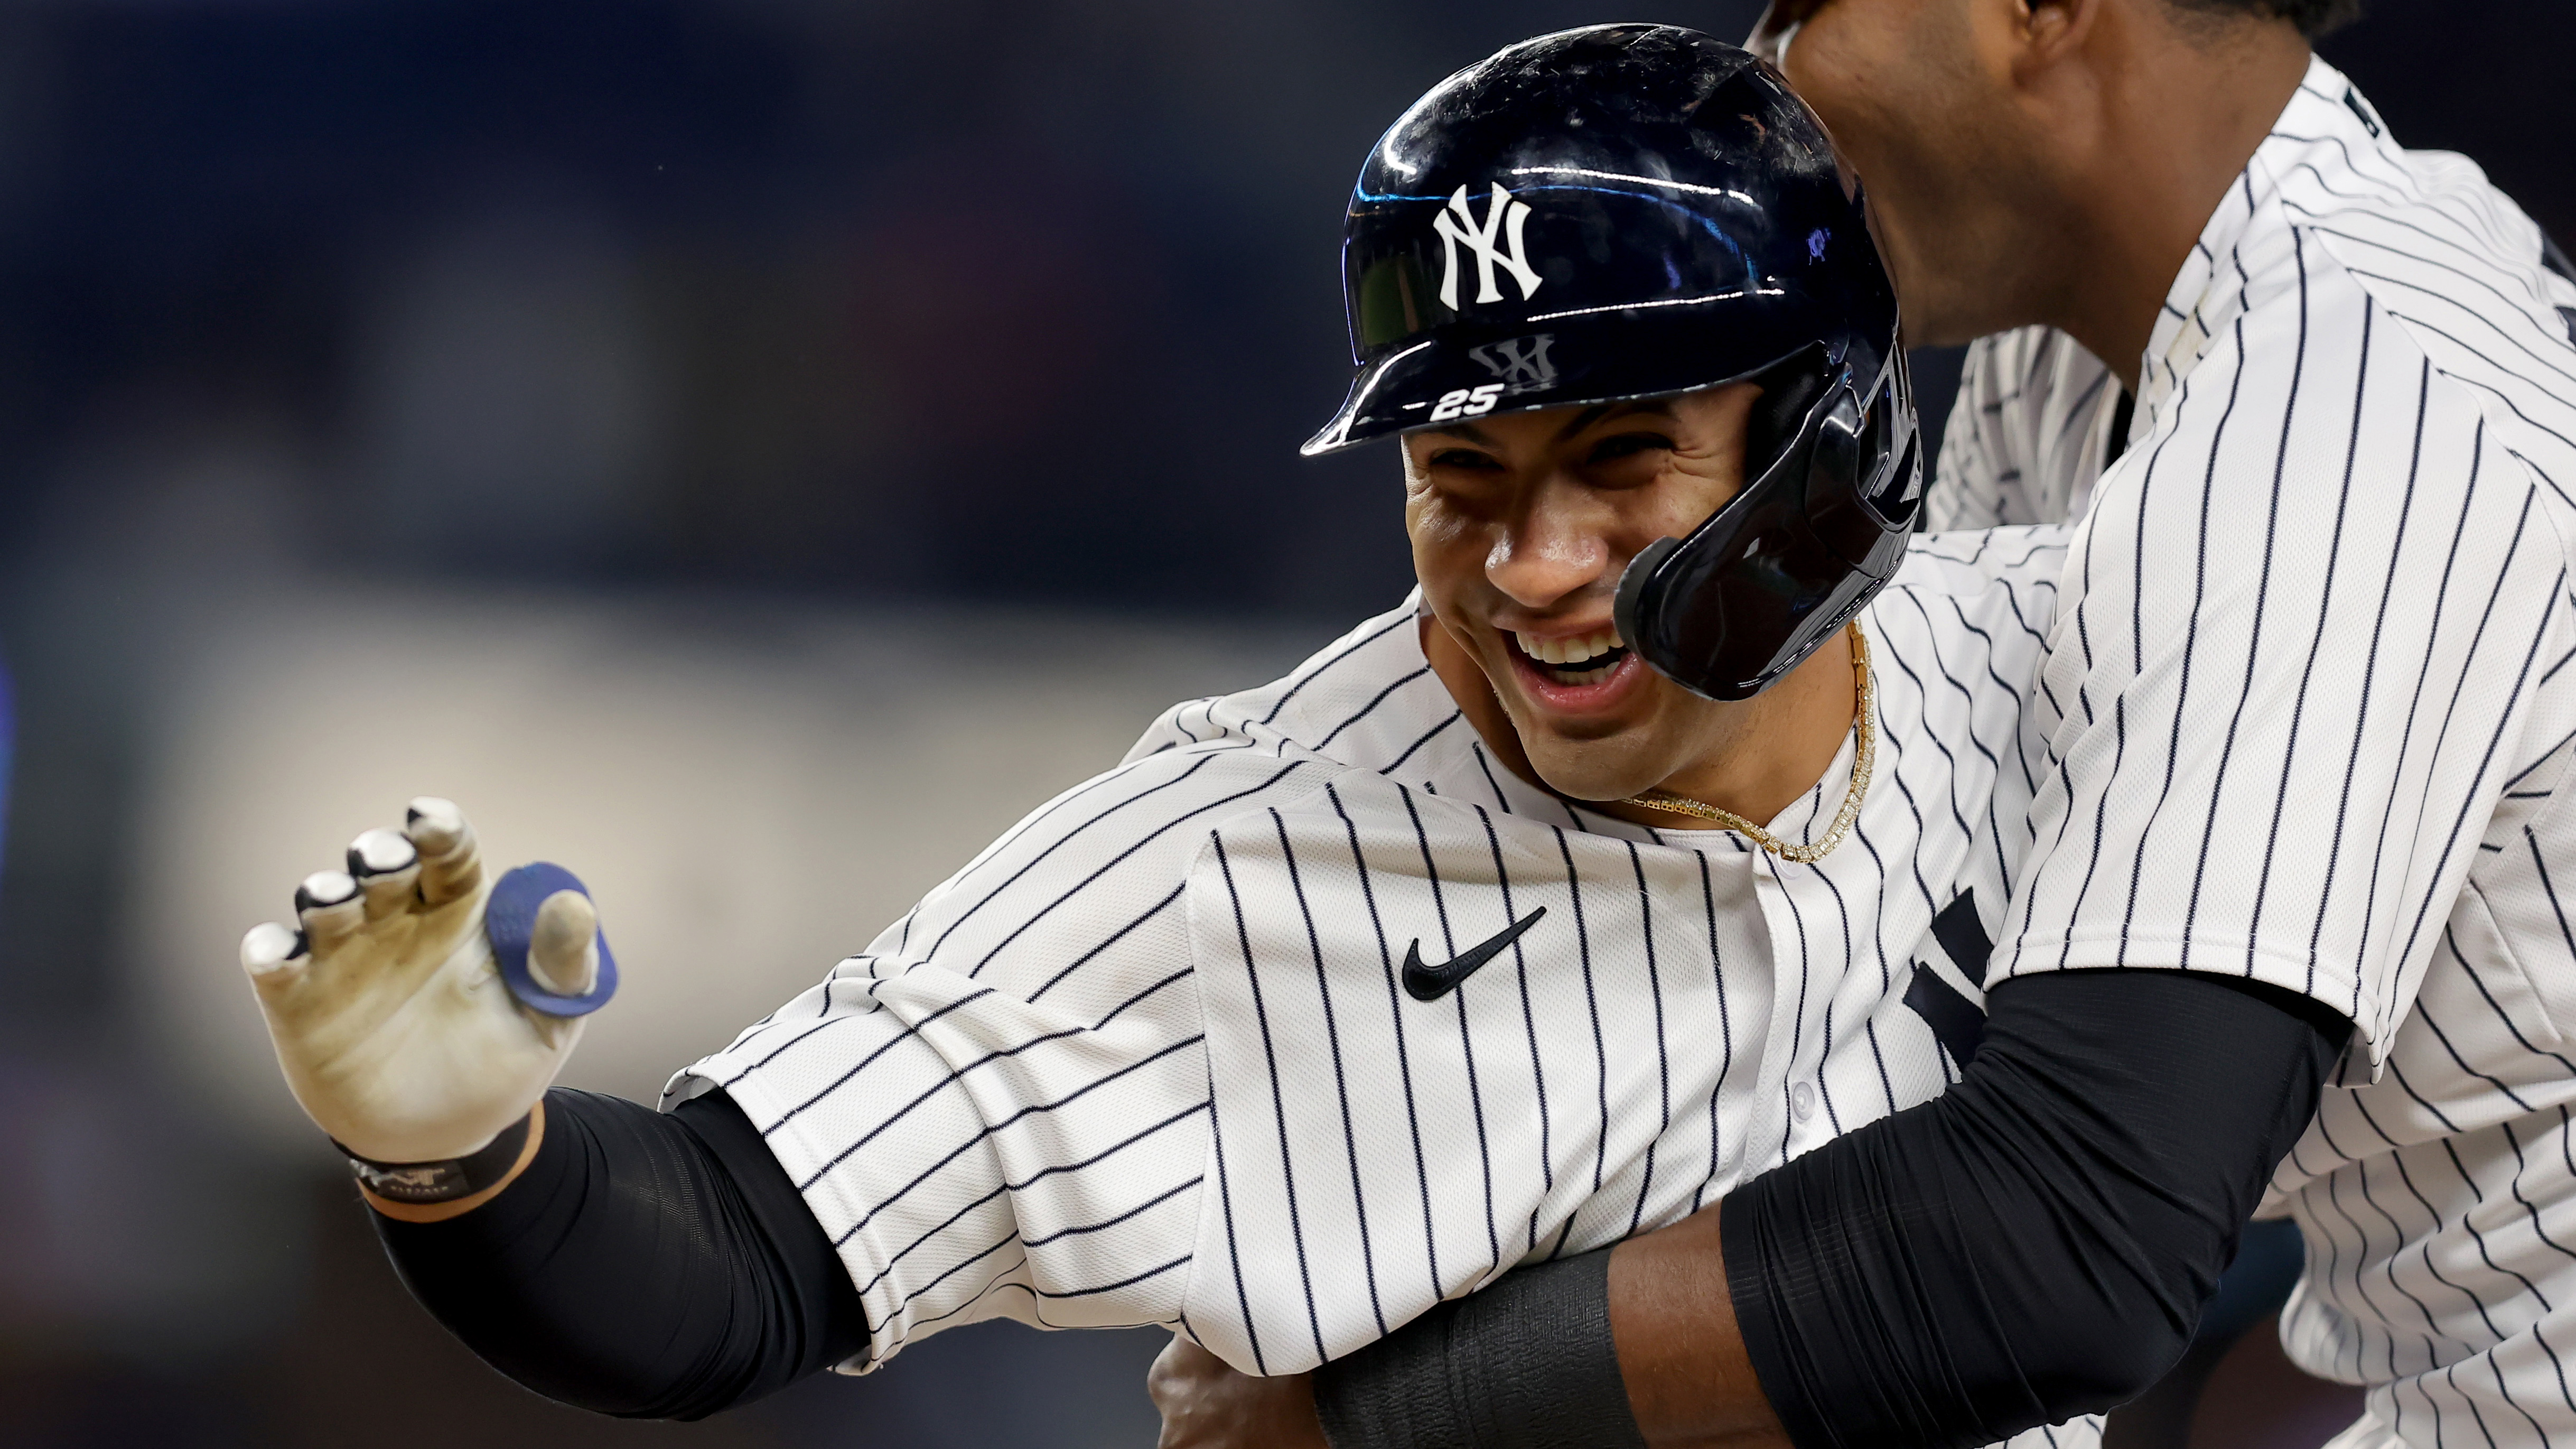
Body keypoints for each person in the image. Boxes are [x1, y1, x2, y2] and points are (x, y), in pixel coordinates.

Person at [225, 28, 2284, 1448]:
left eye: (1623, 459)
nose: (1534, 565)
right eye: (1459, 479)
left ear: (1829, 446)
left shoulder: (2091, 672)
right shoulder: (1227, 861)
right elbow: (721, 1262)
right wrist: (458, 1151)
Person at [1151, 1, 2576, 1447]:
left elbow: (2068, 1239)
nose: (1768, 69)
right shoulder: (2092, 355)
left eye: (1803, 4)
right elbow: (1897, 978)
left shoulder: (2349, 395)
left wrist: (1385, 1410)